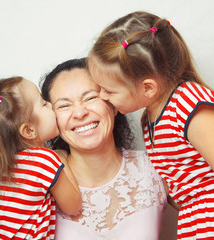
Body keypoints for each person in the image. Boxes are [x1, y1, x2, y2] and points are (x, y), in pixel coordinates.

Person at [87, 11, 214, 240]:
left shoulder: (191, 108)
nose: (101, 96)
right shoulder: (149, 121)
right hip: (203, 225)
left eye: (108, 90)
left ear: (147, 88)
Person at [40, 58, 168, 239]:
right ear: (52, 120)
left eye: (91, 97)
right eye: (64, 105)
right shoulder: (40, 186)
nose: (79, 113)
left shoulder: (155, 167)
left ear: (113, 105)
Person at [0, 76, 82, 240]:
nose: (50, 105)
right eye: (43, 103)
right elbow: (73, 206)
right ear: (28, 131)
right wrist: (61, 158)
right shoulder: (44, 161)